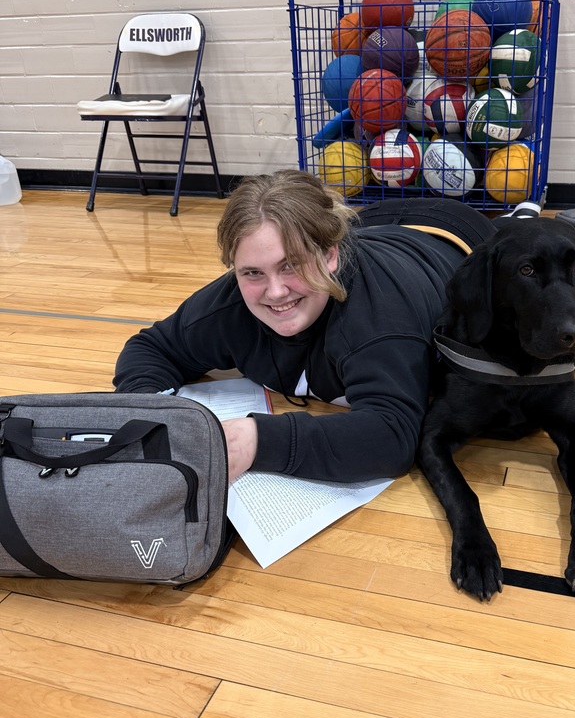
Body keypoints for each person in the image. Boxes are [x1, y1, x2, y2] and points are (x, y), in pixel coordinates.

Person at [113, 170, 497, 483]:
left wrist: (257, 439)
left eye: (290, 264)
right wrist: (156, 409)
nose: (275, 292)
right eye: (252, 272)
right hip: (375, 224)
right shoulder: (229, 304)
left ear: (330, 255)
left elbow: (394, 438)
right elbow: (151, 348)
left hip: (454, 231)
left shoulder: (379, 321)